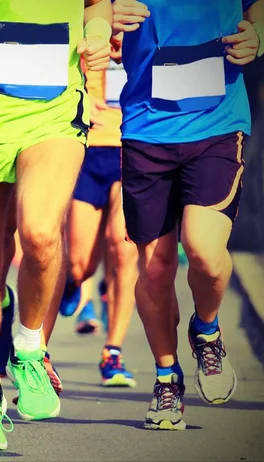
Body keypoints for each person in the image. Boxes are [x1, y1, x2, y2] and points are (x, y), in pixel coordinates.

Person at [0, 0, 113, 450]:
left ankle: (30, 348)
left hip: (53, 117)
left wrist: (98, 33)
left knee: (39, 231)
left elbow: (97, 7)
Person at [113, 0, 263, 430]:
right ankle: (166, 379)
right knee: (156, 268)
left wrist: (258, 34)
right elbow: (84, 13)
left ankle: (207, 330)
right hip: (145, 127)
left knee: (204, 250)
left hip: (216, 123)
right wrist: (100, 19)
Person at [42, 49, 139, 389]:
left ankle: (112, 352)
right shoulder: (86, 20)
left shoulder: (147, 23)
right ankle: (75, 282)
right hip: (87, 146)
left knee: (123, 246)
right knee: (80, 261)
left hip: (134, 145)